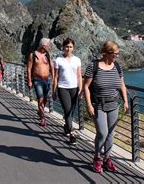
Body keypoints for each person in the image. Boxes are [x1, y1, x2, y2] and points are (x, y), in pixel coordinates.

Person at [84, 41, 129, 173]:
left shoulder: (117, 67)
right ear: (108, 53)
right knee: (102, 133)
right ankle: (97, 158)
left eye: (118, 54)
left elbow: (122, 85)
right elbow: (86, 86)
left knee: (111, 134)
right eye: (116, 54)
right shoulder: (93, 66)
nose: (117, 56)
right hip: (98, 104)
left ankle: (107, 158)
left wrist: (126, 101)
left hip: (114, 104)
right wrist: (88, 105)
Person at [52, 38, 82, 144]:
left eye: (70, 47)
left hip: (74, 88)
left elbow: (79, 75)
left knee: (71, 111)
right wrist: (54, 91)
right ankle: (72, 134)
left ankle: (67, 126)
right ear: (63, 47)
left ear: (73, 48)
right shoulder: (58, 60)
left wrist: (81, 89)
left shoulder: (77, 60)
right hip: (62, 88)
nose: (68, 49)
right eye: (66, 46)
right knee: (67, 110)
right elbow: (55, 77)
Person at [27, 38, 54, 127]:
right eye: (48, 45)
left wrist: (53, 78)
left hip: (47, 79)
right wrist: (30, 81)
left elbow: (52, 67)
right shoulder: (33, 55)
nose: (49, 47)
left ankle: (40, 111)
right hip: (37, 80)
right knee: (40, 98)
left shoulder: (48, 55)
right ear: (43, 45)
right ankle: (43, 118)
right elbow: (29, 68)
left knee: (45, 98)